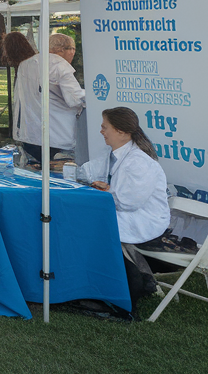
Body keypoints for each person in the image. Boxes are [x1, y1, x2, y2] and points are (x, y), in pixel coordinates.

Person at [77, 106, 171, 309]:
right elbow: (89, 171)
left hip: (143, 219)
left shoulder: (139, 162)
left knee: (91, 227)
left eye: (105, 127)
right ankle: (98, 286)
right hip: (127, 213)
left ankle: (111, 289)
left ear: (121, 131)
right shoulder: (116, 153)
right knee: (88, 221)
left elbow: (128, 202)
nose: (101, 131)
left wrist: (107, 191)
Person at [11, 32, 86, 164]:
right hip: (57, 137)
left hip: (29, 135)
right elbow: (75, 99)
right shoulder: (59, 65)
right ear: (61, 50)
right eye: (72, 49)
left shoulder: (25, 65)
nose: (73, 53)